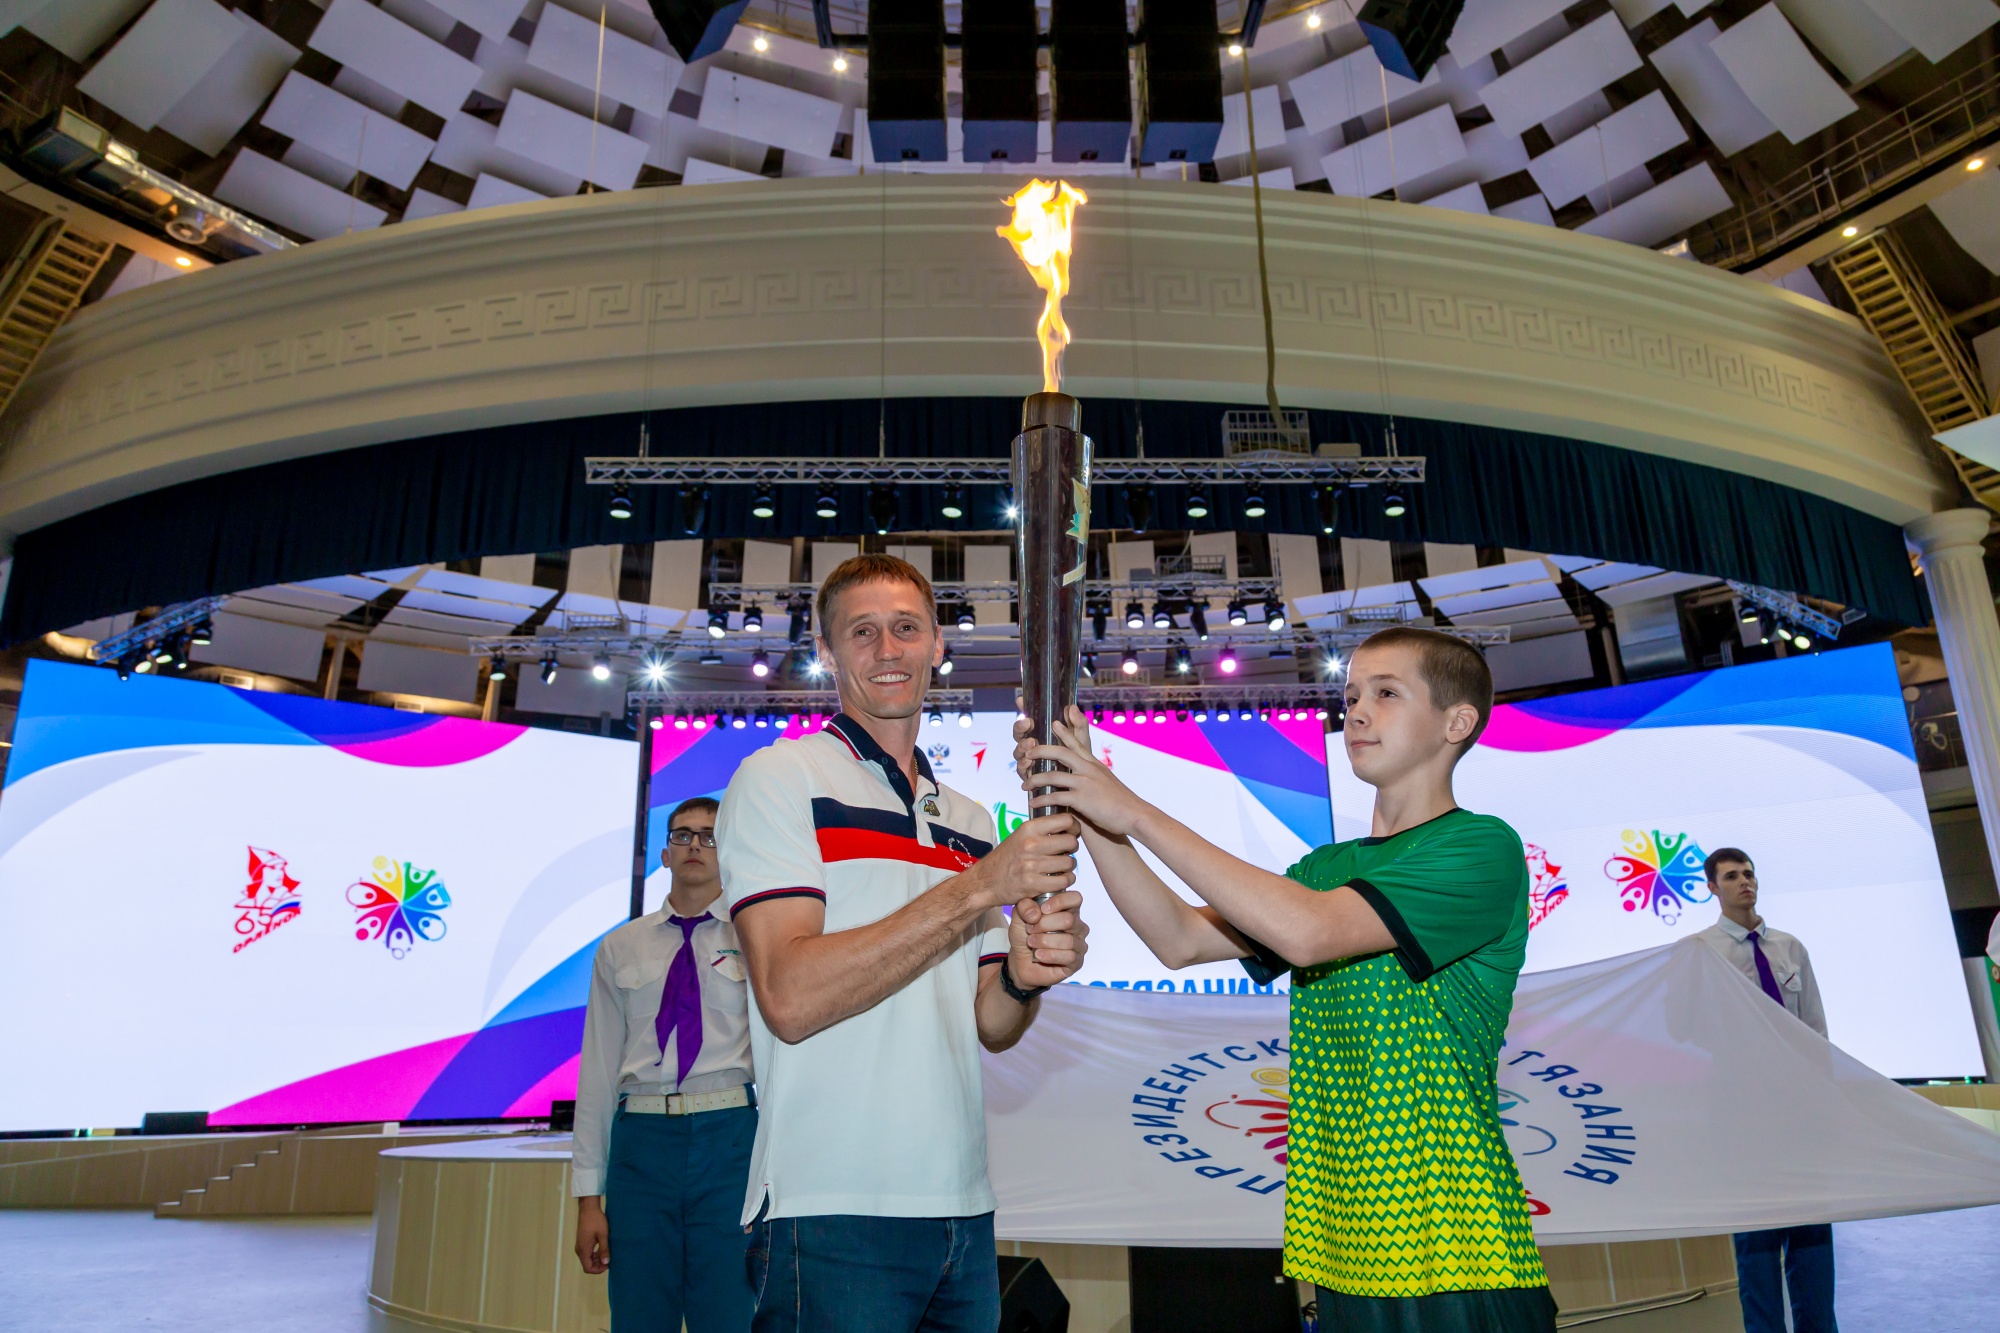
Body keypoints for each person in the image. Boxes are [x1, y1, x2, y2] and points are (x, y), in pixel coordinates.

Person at [1015, 625, 1556, 1331]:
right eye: (1352, 696)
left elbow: (1309, 933)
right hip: (1344, 1249)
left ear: (1457, 723)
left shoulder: (1481, 846)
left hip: (1459, 1247)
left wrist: (1134, 810)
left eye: (1387, 694)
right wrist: (1087, 803)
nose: (1357, 712)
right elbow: (1177, 939)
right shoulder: (1323, 869)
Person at [715, 553, 1089, 1333]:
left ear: (937, 643)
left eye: (907, 628)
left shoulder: (968, 820)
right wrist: (980, 888)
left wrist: (1024, 975)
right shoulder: (780, 779)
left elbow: (990, 1023)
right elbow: (789, 996)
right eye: (863, 632)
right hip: (830, 1205)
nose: (888, 649)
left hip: (962, 1205)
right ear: (827, 651)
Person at [572, 796, 756, 1333]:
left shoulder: (758, 938)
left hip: (731, 1139)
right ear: (665, 854)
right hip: (641, 1146)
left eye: (709, 835)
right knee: (639, 1313)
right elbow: (597, 1075)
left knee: (728, 1313)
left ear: (730, 851)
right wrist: (588, 1200)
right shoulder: (620, 947)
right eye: (683, 835)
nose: (695, 845)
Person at [1692, 849, 1835, 1333]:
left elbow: (1815, 1029)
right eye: (1731, 876)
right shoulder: (1699, 951)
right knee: (1756, 1239)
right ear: (1712, 888)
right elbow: (1685, 1027)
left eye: (1749, 873)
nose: (1744, 882)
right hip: (1741, 1113)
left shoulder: (1790, 947)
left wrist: (1824, 1100)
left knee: (1812, 1231)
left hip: (1800, 1111)